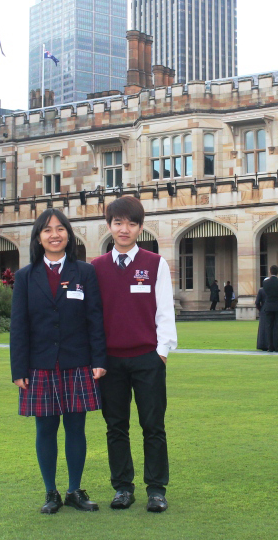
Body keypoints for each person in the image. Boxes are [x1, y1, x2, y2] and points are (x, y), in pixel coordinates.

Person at [10, 209, 106, 514]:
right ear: (39, 237)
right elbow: (19, 326)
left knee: (76, 428)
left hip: (78, 363)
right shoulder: (25, 276)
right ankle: (51, 492)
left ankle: (75, 490)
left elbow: (95, 320)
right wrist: (18, 369)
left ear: (69, 234)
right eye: (47, 230)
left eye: (60, 228)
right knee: (45, 430)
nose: (54, 234)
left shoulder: (85, 272)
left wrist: (99, 360)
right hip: (39, 366)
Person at [92, 196, 177, 513]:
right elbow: (94, 317)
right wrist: (96, 358)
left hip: (147, 358)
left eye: (130, 223)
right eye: (117, 222)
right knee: (116, 427)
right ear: (109, 226)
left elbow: (165, 312)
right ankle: (123, 488)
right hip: (110, 361)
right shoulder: (96, 268)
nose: (123, 228)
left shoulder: (155, 263)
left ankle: (156, 489)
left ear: (140, 227)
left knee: (153, 426)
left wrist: (162, 352)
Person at [260, 266, 278, 352]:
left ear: (270, 271)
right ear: (277, 272)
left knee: (269, 327)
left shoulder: (265, 283)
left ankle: (270, 347)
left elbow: (266, 293)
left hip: (268, 306)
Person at [254, 287, 268, 351]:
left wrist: (260, 309)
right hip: (273, 310)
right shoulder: (274, 289)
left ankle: (262, 345)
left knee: (263, 328)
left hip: (264, 310)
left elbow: (257, 302)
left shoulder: (261, 290)